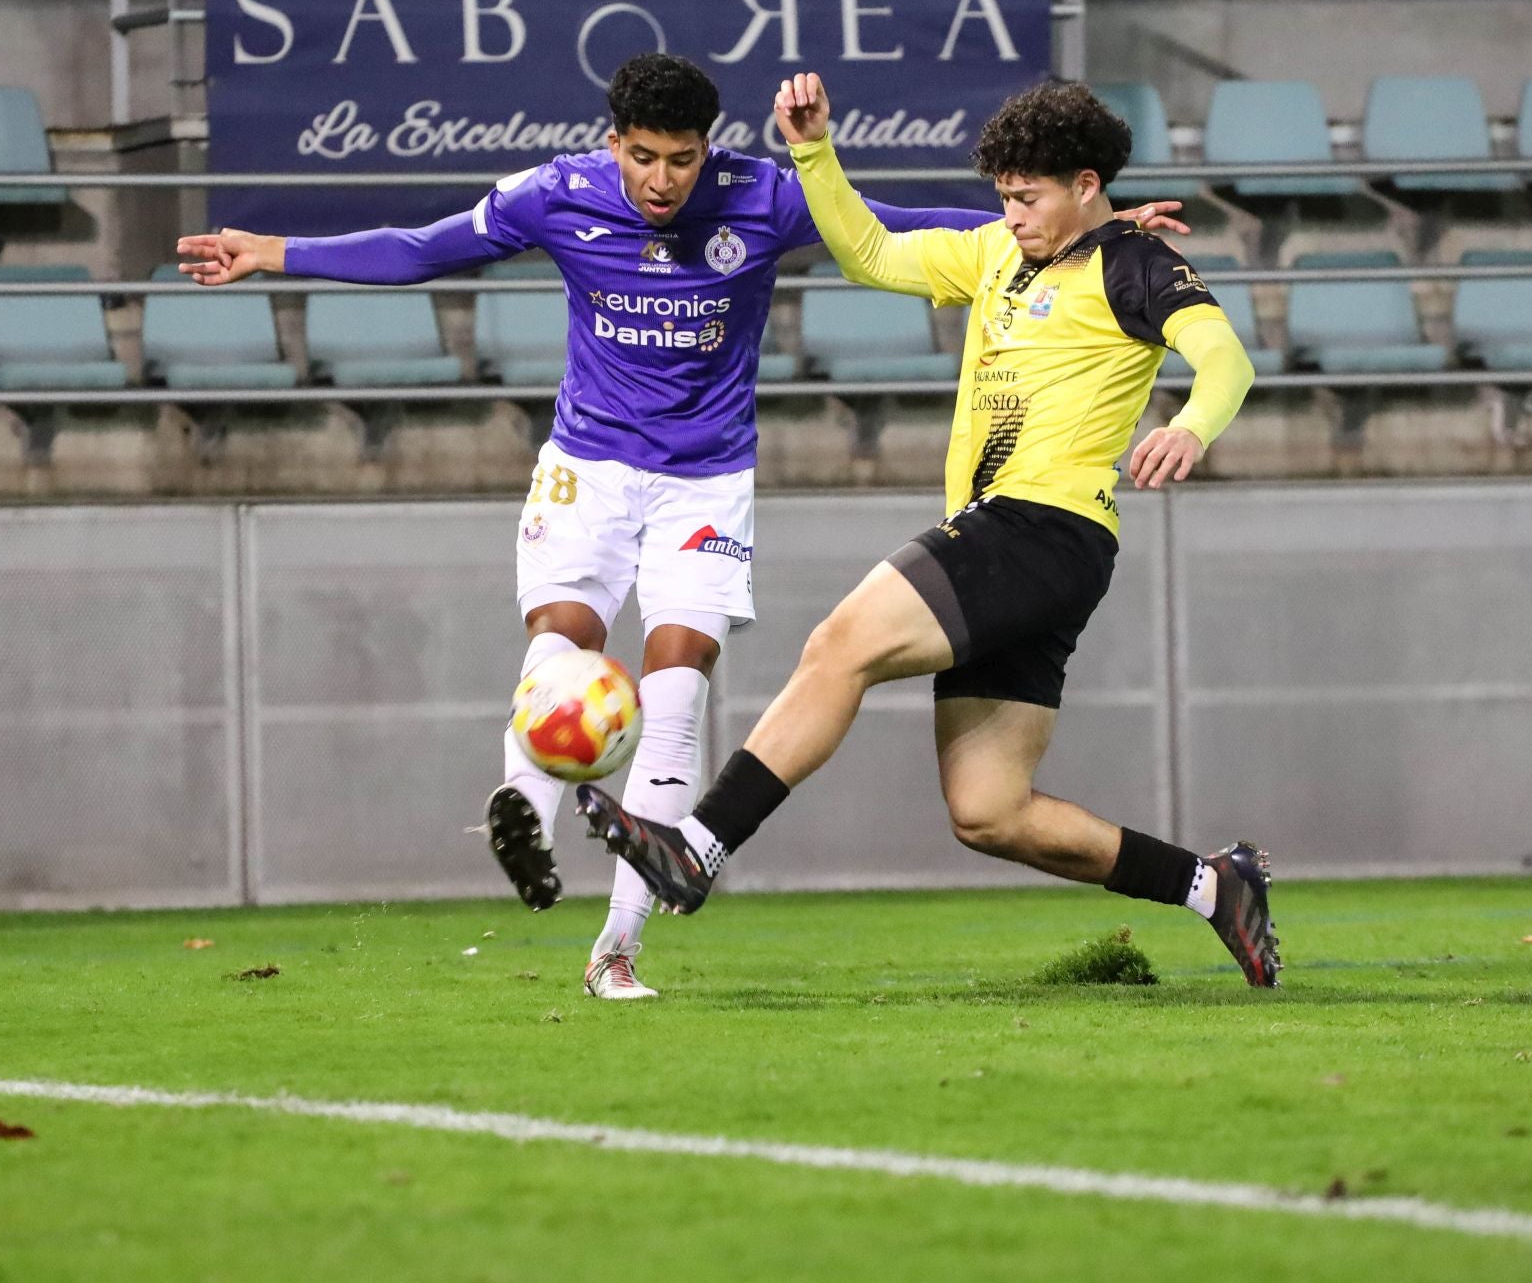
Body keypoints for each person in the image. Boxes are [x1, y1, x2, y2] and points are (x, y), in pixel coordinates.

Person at [177, 55, 1193, 999]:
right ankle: (525, 808)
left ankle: (617, 949)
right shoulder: (556, 193)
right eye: (643, 157)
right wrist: (273, 252)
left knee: (675, 683)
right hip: (588, 465)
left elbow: (900, 226)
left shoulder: (762, 194)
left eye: (681, 158)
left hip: (705, 483)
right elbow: (422, 249)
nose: (662, 180)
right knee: (565, 640)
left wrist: (1088, 232)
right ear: (612, 143)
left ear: (709, 147)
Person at [578, 73, 1281, 988]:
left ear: (1086, 185)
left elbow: (1226, 358)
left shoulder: (1134, 263)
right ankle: (1213, 885)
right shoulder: (994, 252)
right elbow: (870, 252)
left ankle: (697, 847)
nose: (1013, 215)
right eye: (1005, 197)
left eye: (1029, 198)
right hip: (1027, 545)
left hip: (1041, 524)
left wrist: (1190, 425)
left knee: (840, 646)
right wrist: (813, 151)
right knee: (989, 810)